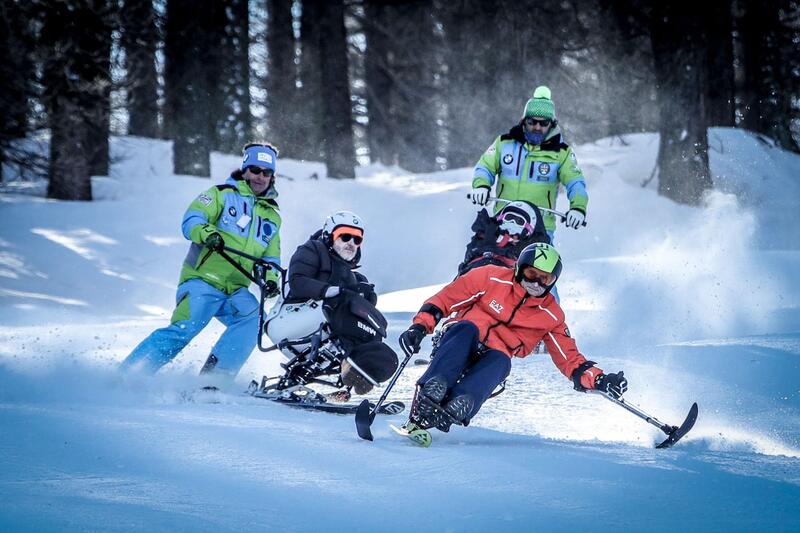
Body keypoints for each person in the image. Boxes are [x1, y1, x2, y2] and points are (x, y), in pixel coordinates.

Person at [397, 242, 627, 439]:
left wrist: (598, 380)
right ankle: (433, 388)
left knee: (501, 362)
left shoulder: (551, 315)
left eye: (544, 278)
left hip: (492, 356)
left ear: (553, 281)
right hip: (460, 339)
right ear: (519, 269)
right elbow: (445, 299)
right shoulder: (490, 276)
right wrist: (420, 326)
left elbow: (570, 359)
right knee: (466, 329)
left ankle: (459, 404)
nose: (536, 283)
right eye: (531, 274)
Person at [120, 142, 282, 382]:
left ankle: (214, 379)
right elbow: (192, 219)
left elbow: (271, 257)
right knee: (183, 330)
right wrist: (207, 233)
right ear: (245, 170)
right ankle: (128, 375)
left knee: (254, 319)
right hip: (202, 282)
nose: (260, 177)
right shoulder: (221, 195)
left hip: (235, 289)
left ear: (272, 177)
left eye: (266, 172)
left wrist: (270, 280)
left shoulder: (272, 216)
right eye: (255, 170)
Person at [264, 211, 397, 395]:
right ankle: (348, 365)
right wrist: (332, 291)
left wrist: (365, 296)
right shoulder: (311, 250)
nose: (351, 243)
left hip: (319, 328)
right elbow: (298, 281)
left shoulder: (355, 277)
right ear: (329, 236)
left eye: (357, 240)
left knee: (377, 335)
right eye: (345, 236)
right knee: (344, 302)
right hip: (287, 321)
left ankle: (357, 372)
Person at [470, 86, 588, 245]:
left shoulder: (562, 153)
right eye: (532, 121)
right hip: (503, 222)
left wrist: (578, 208)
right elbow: (485, 167)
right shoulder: (504, 143)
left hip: (540, 228)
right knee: (487, 262)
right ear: (524, 121)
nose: (537, 127)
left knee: (536, 269)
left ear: (551, 124)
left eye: (543, 123)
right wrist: (481, 185)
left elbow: (576, 182)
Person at [457, 200, 549, 276]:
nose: (512, 222)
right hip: (473, 277)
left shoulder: (526, 251)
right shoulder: (486, 236)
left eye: (519, 221)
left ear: (528, 229)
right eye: (509, 217)